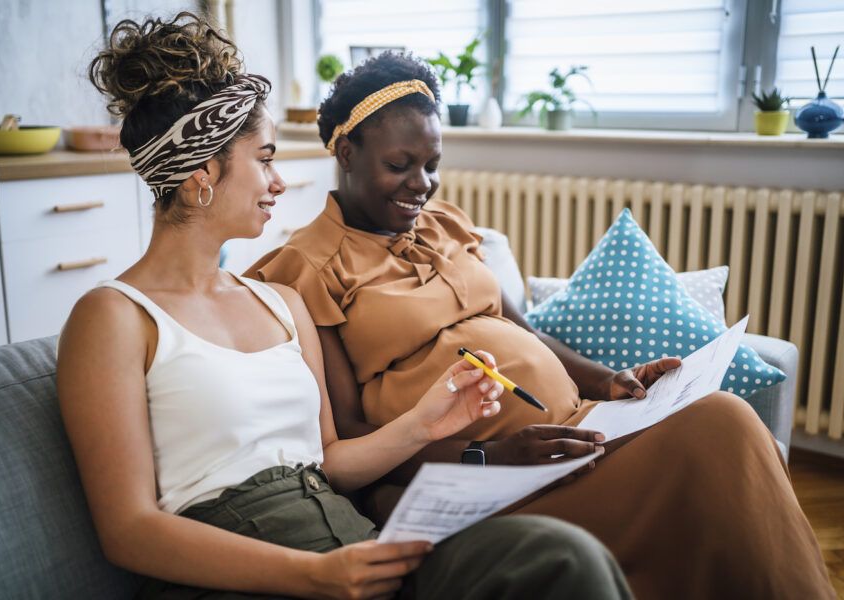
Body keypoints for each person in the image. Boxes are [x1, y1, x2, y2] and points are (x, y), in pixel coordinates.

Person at [56, 13, 634, 600]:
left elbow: (331, 461)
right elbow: (128, 531)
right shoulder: (113, 316)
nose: (279, 182)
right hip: (254, 571)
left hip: (354, 547)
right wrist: (315, 574)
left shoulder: (278, 303)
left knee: (564, 557)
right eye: (265, 159)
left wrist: (424, 425)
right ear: (204, 172)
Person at [246, 52, 835, 599]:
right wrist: (492, 455)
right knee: (722, 438)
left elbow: (523, 329)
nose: (421, 184)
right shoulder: (305, 269)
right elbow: (345, 437)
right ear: (345, 152)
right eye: (399, 165)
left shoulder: (446, 225)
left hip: (576, 434)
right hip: (484, 482)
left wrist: (610, 382)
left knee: (723, 418)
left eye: (432, 165)